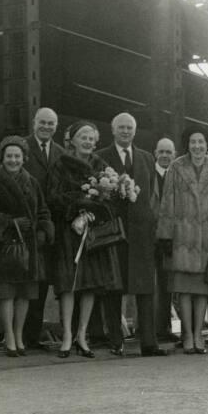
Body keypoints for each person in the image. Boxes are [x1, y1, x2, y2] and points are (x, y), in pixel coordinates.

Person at [47, 122, 123, 359]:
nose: (88, 142)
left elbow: (112, 201)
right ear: (73, 140)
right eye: (83, 137)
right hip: (70, 231)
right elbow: (53, 197)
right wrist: (78, 207)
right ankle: (67, 335)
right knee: (69, 285)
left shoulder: (102, 167)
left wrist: (96, 210)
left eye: (91, 138)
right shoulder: (61, 164)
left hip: (93, 235)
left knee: (91, 285)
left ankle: (82, 335)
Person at [96, 113, 168, 357]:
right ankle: (116, 341)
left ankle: (149, 342)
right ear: (113, 131)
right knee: (114, 288)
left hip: (141, 234)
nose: (126, 132)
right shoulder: (101, 157)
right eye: (121, 128)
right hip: (114, 232)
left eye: (129, 128)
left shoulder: (147, 158)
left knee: (145, 288)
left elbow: (152, 198)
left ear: (135, 132)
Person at [157, 126, 208, 355]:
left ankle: (199, 334)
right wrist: (165, 235)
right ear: (187, 144)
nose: (197, 146)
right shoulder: (176, 167)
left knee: (203, 290)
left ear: (207, 145)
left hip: (207, 236)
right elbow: (167, 202)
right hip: (183, 237)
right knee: (184, 290)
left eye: (201, 142)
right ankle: (187, 335)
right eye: (193, 142)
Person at [0, 136, 54, 357]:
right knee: (7, 294)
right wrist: (9, 223)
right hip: (6, 248)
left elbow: (43, 210)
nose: (13, 160)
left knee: (24, 294)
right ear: (1, 158)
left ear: (24, 158)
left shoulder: (32, 182)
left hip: (29, 246)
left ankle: (19, 335)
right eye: (9, 156)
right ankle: (9, 338)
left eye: (17, 156)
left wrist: (43, 231)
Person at [22, 107, 65, 350]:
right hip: (30, 223)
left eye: (51, 123)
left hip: (53, 227)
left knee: (44, 281)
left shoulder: (60, 153)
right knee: (29, 281)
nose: (46, 127)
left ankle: (33, 335)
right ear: (33, 122)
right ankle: (22, 335)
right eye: (42, 122)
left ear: (56, 127)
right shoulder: (22, 148)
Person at [153, 137, 177, 342]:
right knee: (151, 283)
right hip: (151, 237)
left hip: (172, 238)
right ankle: (151, 327)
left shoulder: (177, 176)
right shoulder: (148, 175)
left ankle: (165, 327)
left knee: (167, 283)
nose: (165, 156)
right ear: (155, 153)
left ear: (174, 155)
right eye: (161, 152)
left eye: (169, 152)